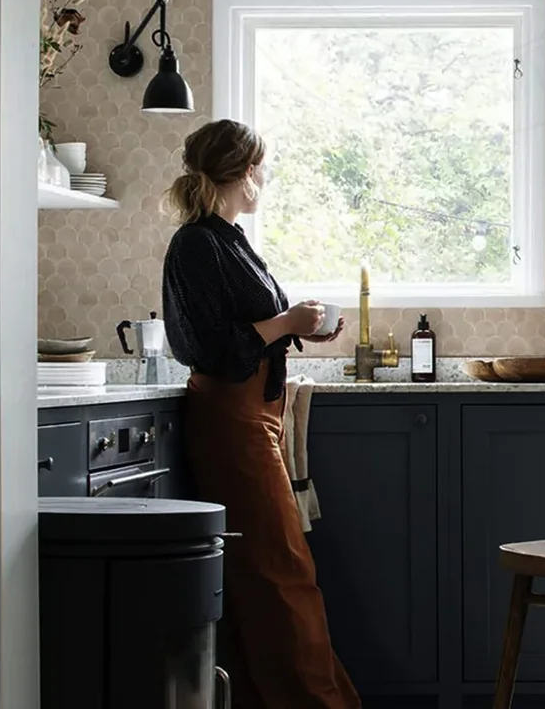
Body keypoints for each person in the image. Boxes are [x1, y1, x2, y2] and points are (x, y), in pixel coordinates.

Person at [162, 118, 360, 709]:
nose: (264, 177)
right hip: (232, 419)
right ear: (243, 172)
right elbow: (209, 348)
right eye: (260, 167)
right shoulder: (196, 243)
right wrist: (286, 323)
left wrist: (299, 331)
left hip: (256, 417)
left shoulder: (230, 238)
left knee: (266, 571)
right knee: (282, 570)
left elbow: (246, 332)